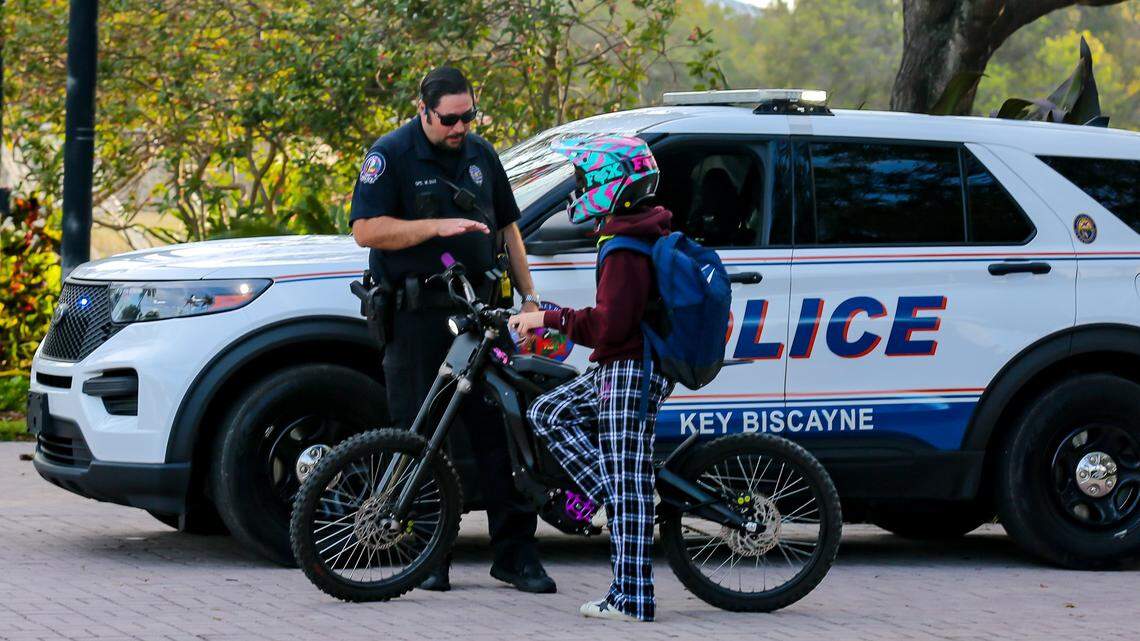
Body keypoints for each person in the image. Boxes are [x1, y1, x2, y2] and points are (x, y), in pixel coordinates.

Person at [349, 66, 553, 593]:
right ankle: (429, 556)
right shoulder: (391, 154)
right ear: (424, 111)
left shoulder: (481, 155)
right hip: (418, 319)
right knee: (420, 438)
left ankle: (514, 554)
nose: (460, 127)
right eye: (450, 119)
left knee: (502, 434)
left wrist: (528, 299)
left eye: (468, 116)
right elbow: (365, 230)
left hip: (481, 318)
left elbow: (509, 229)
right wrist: (435, 228)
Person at [508, 135, 676, 622]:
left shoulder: (626, 246)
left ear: (611, 183)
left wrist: (550, 320)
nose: (579, 190)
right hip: (624, 365)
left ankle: (632, 599)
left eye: (585, 180)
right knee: (548, 411)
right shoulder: (639, 228)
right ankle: (608, 496)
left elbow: (610, 326)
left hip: (631, 368)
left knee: (629, 484)